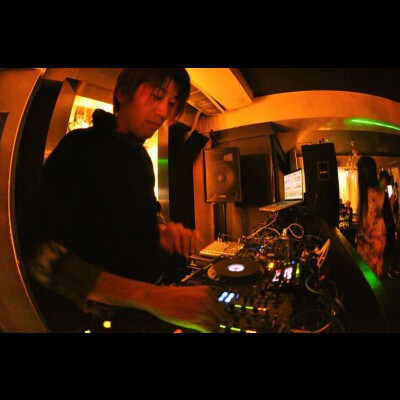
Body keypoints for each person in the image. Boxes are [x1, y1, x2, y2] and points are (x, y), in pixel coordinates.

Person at [28, 68, 225, 333]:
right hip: (100, 320)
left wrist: (163, 231)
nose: (163, 112)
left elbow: (147, 211)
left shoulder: (141, 158)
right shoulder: (79, 147)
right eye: (156, 96)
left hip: (143, 313)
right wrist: (153, 297)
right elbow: (41, 255)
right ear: (122, 94)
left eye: (171, 103)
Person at [356, 157, 396, 278]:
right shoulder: (380, 195)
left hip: (364, 250)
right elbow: (390, 226)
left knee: (366, 281)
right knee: (374, 282)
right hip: (378, 250)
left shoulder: (363, 197)